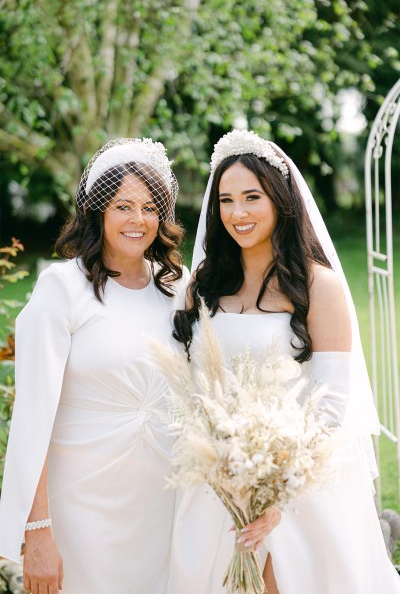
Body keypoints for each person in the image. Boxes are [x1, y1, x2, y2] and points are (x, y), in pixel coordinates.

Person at [168, 129, 400, 593]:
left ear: (280, 200)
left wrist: (276, 494)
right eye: (226, 200)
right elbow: (191, 388)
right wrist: (225, 473)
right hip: (218, 483)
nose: (238, 213)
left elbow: (332, 409)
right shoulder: (202, 285)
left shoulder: (320, 288)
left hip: (300, 485)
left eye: (252, 197)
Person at [0, 138, 190, 594]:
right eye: (122, 206)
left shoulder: (179, 288)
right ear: (96, 211)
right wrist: (38, 531)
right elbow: (32, 419)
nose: (137, 220)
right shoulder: (62, 289)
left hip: (165, 504)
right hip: (82, 510)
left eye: (149, 207)